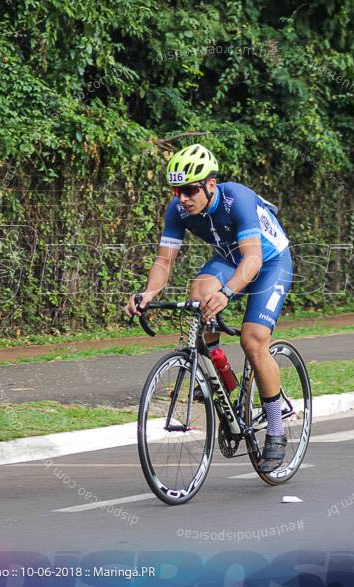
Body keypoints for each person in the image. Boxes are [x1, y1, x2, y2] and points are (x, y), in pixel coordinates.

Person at [125, 144, 293, 472]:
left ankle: (275, 428)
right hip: (230, 259)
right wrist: (148, 292)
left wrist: (228, 293)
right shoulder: (177, 210)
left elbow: (254, 259)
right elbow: (164, 260)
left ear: (210, 185)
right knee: (199, 292)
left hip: (270, 261)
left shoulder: (237, 199)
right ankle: (223, 382)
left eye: (189, 190)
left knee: (253, 339)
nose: (182, 198)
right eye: (177, 191)